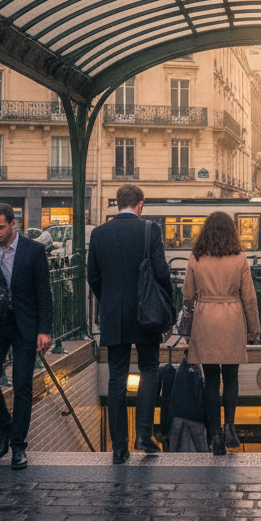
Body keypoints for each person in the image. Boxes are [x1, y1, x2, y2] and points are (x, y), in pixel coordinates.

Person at [87, 183, 172, 463]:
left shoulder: (99, 233)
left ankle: (119, 447)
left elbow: (93, 277)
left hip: (114, 314)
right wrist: (167, 312)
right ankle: (144, 436)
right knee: (149, 369)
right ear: (140, 204)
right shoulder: (150, 230)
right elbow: (161, 274)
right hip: (146, 313)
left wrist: (109, 300)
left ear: (116, 203)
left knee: (116, 378)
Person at [0, 203, 52, 470]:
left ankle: (18, 446)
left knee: (22, 386)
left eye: (0, 227)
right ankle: (5, 428)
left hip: (24, 324)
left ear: (13, 224)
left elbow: (44, 293)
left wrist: (45, 330)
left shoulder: (34, 250)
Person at [182, 211, 260, 456]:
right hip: (232, 318)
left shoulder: (196, 257)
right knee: (232, 377)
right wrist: (253, 327)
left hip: (206, 319)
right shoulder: (240, 257)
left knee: (211, 381)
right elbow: (249, 297)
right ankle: (230, 427)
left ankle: (214, 433)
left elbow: (187, 295)